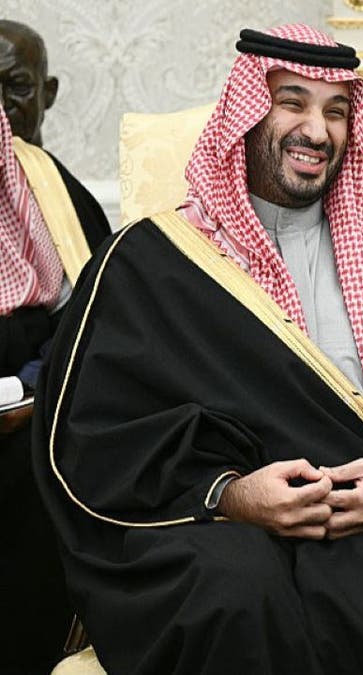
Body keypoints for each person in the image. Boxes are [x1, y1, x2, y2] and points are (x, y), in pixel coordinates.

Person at [33, 24, 363, 674]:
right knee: (233, 593)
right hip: (211, 521)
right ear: (249, 111)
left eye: (336, 111)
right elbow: (98, 434)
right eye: (294, 102)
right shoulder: (148, 262)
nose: (317, 130)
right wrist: (232, 495)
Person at [0, 19, 110, 675]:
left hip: (36, 419)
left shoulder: (62, 196)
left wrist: (37, 394)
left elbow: (94, 327)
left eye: (14, 88)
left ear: (49, 93)